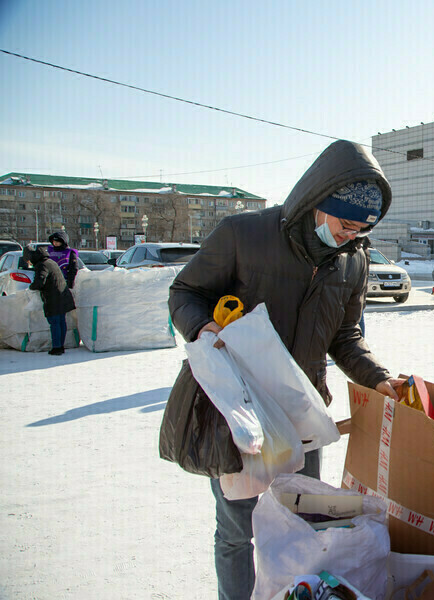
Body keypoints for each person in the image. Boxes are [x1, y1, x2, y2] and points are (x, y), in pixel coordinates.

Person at [168, 140, 403, 600]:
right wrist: (203, 326)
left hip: (302, 416)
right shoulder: (244, 234)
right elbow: (184, 293)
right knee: (238, 530)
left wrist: (378, 377)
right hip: (241, 414)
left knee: (303, 523)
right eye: (344, 224)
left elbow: (346, 336)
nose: (349, 236)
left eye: (361, 230)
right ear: (318, 202)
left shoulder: (353, 260)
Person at [25, 244, 75, 355]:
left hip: (53, 298)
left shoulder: (42, 265)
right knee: (61, 321)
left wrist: (31, 287)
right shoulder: (51, 262)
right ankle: (60, 346)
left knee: (55, 322)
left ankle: (57, 348)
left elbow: (40, 282)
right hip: (62, 295)